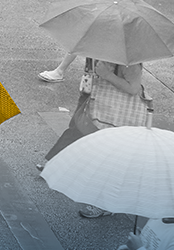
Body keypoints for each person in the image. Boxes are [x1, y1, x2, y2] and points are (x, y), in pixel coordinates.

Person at [41, 57, 148, 218]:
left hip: (118, 118)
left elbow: (133, 89)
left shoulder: (129, 60)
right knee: (97, 150)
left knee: (111, 160)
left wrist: (107, 75)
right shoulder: (103, 52)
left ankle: (105, 203)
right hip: (103, 113)